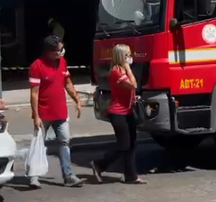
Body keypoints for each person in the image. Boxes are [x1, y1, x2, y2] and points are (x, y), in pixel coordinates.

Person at [28, 35, 82, 188]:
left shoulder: (62, 62)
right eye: (59, 50)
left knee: (64, 142)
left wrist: (76, 99)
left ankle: (68, 175)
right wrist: (36, 116)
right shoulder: (36, 66)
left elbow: (67, 83)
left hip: (61, 113)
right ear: (49, 52)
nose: (62, 52)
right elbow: (34, 93)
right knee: (38, 143)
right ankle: (33, 176)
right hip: (43, 113)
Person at [90, 44, 146, 184]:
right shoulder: (116, 71)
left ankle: (131, 175)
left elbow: (130, 90)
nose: (130, 57)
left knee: (132, 143)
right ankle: (99, 164)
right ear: (122, 57)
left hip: (128, 111)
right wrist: (128, 68)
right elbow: (133, 85)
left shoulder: (123, 70)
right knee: (123, 145)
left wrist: (134, 98)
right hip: (118, 113)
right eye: (128, 55)